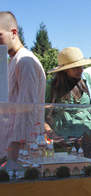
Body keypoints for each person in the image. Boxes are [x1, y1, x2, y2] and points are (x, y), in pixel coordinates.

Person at [45, 47, 91, 170]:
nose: (81, 70)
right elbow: (41, 113)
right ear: (65, 70)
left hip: (89, 138)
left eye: (82, 66)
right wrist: (51, 134)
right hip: (64, 141)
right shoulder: (51, 86)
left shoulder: (86, 79)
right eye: (76, 67)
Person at [0, 11, 46, 161]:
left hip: (20, 150)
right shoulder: (12, 62)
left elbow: (27, 109)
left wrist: (15, 151)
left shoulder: (25, 61)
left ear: (13, 32)